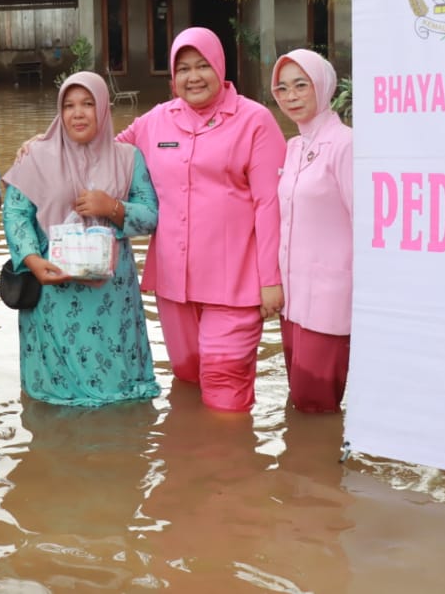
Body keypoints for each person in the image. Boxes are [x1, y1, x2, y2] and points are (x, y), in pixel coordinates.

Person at [115, 27, 284, 412]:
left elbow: (269, 204)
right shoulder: (155, 121)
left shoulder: (254, 121)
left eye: (203, 65)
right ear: (172, 77)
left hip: (236, 284)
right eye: (183, 68)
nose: (193, 77)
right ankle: (188, 469)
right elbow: (105, 156)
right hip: (174, 284)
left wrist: (271, 280)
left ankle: (230, 469)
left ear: (220, 67)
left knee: (226, 390)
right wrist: (44, 147)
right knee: (188, 380)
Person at [2, 72, 160, 407]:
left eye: (88, 104)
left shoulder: (128, 158)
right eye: (69, 105)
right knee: (55, 402)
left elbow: (150, 217)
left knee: (118, 398)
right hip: (53, 293)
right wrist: (31, 259)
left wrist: (113, 207)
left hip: (111, 300)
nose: (78, 113)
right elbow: (15, 213)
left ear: (103, 108)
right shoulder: (36, 156)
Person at [270, 49, 352, 413]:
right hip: (293, 299)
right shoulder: (294, 147)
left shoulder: (347, 144)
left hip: (330, 298)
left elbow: (365, 223)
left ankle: (315, 468)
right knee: (301, 402)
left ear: (323, 86)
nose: (291, 96)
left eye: (301, 85)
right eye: (283, 88)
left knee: (317, 406)